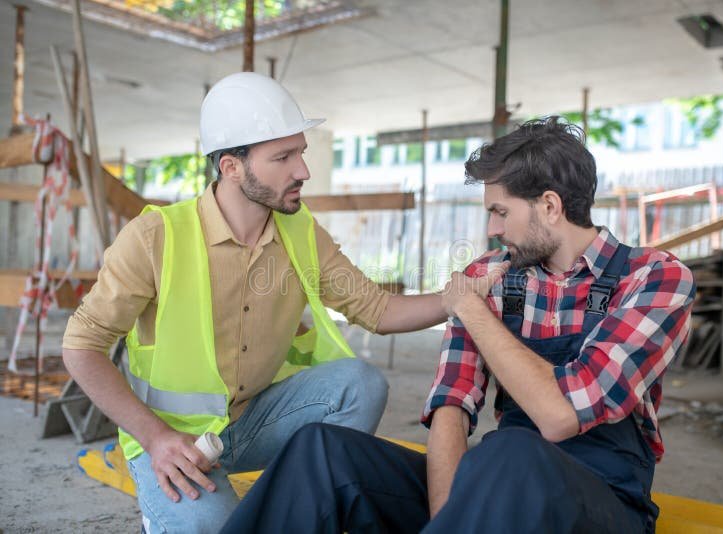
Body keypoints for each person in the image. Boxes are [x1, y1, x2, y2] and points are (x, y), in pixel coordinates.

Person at [220, 117, 696, 533]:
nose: (492, 229)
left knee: (512, 450)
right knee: (321, 451)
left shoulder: (654, 278)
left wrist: (472, 309)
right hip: (491, 495)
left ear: (550, 206)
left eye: (501, 212)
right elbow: (452, 405)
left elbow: (559, 416)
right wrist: (448, 518)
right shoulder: (488, 276)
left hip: (600, 504)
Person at [61, 72, 449, 533]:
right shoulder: (154, 238)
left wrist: (459, 298)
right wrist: (156, 437)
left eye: (300, 152)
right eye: (283, 157)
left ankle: (299, 501)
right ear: (231, 167)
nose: (302, 171)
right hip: (173, 437)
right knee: (211, 527)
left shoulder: (301, 232)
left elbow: (378, 310)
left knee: (359, 384)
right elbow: (80, 347)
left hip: (255, 421)